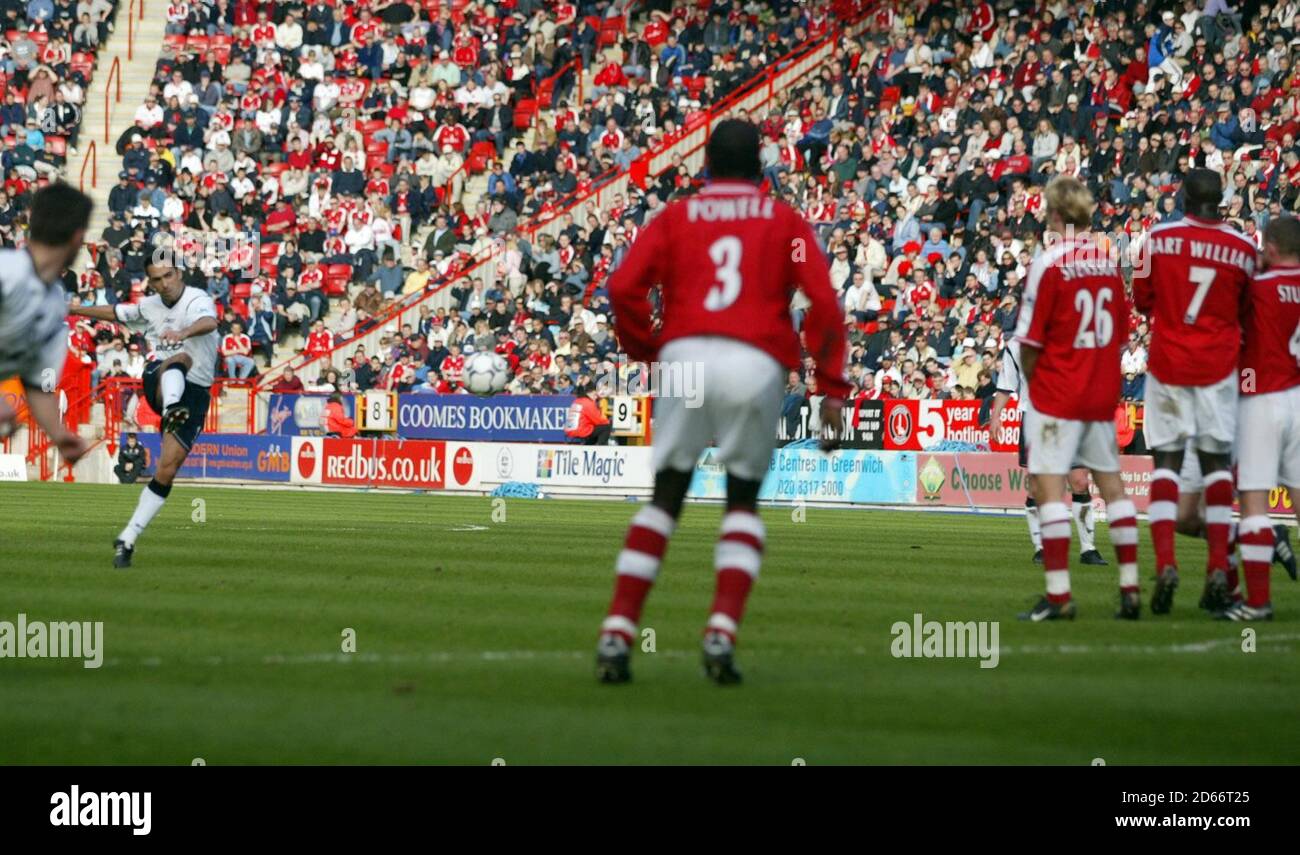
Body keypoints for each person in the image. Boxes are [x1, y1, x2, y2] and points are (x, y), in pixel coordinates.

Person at [596, 119, 848, 684]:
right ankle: (720, 634)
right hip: (753, 360)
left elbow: (622, 287)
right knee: (740, 501)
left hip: (684, 357)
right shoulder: (782, 220)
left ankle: (616, 633)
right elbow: (825, 304)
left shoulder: (677, 215)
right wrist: (830, 388)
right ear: (760, 167)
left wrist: (648, 348)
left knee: (665, 497)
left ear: (704, 166)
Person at [1014, 177, 1141, 621]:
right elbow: (1122, 337)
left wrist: (1038, 385)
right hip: (1100, 396)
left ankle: (1059, 595)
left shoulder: (1048, 263)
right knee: (1114, 488)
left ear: (1053, 215)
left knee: (1049, 489)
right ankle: (1130, 587)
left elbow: (1028, 342)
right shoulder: (1108, 264)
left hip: (1058, 395)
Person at [1131, 168, 1257, 615]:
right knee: (1216, 467)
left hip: (1168, 364)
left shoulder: (1155, 240)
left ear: (1183, 196)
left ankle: (1166, 563)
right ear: (1220, 200)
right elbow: (1249, 311)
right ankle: (1217, 568)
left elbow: (1142, 299)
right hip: (1219, 367)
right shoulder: (1245, 248)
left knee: (1164, 464)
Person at [69, 262, 219, 568]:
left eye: (168, 276)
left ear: (178, 274)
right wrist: (75, 309)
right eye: (156, 279)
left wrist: (183, 330)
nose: (164, 283)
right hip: (160, 379)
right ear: (150, 283)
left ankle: (128, 537)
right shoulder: (149, 306)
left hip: (196, 394)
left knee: (167, 468)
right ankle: (171, 408)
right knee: (179, 357)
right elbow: (116, 312)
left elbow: (209, 322)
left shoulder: (197, 298)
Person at [1223, 215, 1300, 620]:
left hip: (1262, 398)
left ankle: (1257, 603)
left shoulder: (1258, 287)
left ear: (1270, 248)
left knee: (1253, 503)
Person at [990, 339, 1107, 567]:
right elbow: (1006, 385)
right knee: (1037, 485)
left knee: (1080, 481)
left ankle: (1088, 549)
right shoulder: (1016, 345)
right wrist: (996, 416)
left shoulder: (1072, 331)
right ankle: (1041, 547)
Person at [0, 183, 93, 466]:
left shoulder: (54, 303)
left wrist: (59, 434)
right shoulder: (8, 272)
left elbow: (36, 384)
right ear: (78, 237)